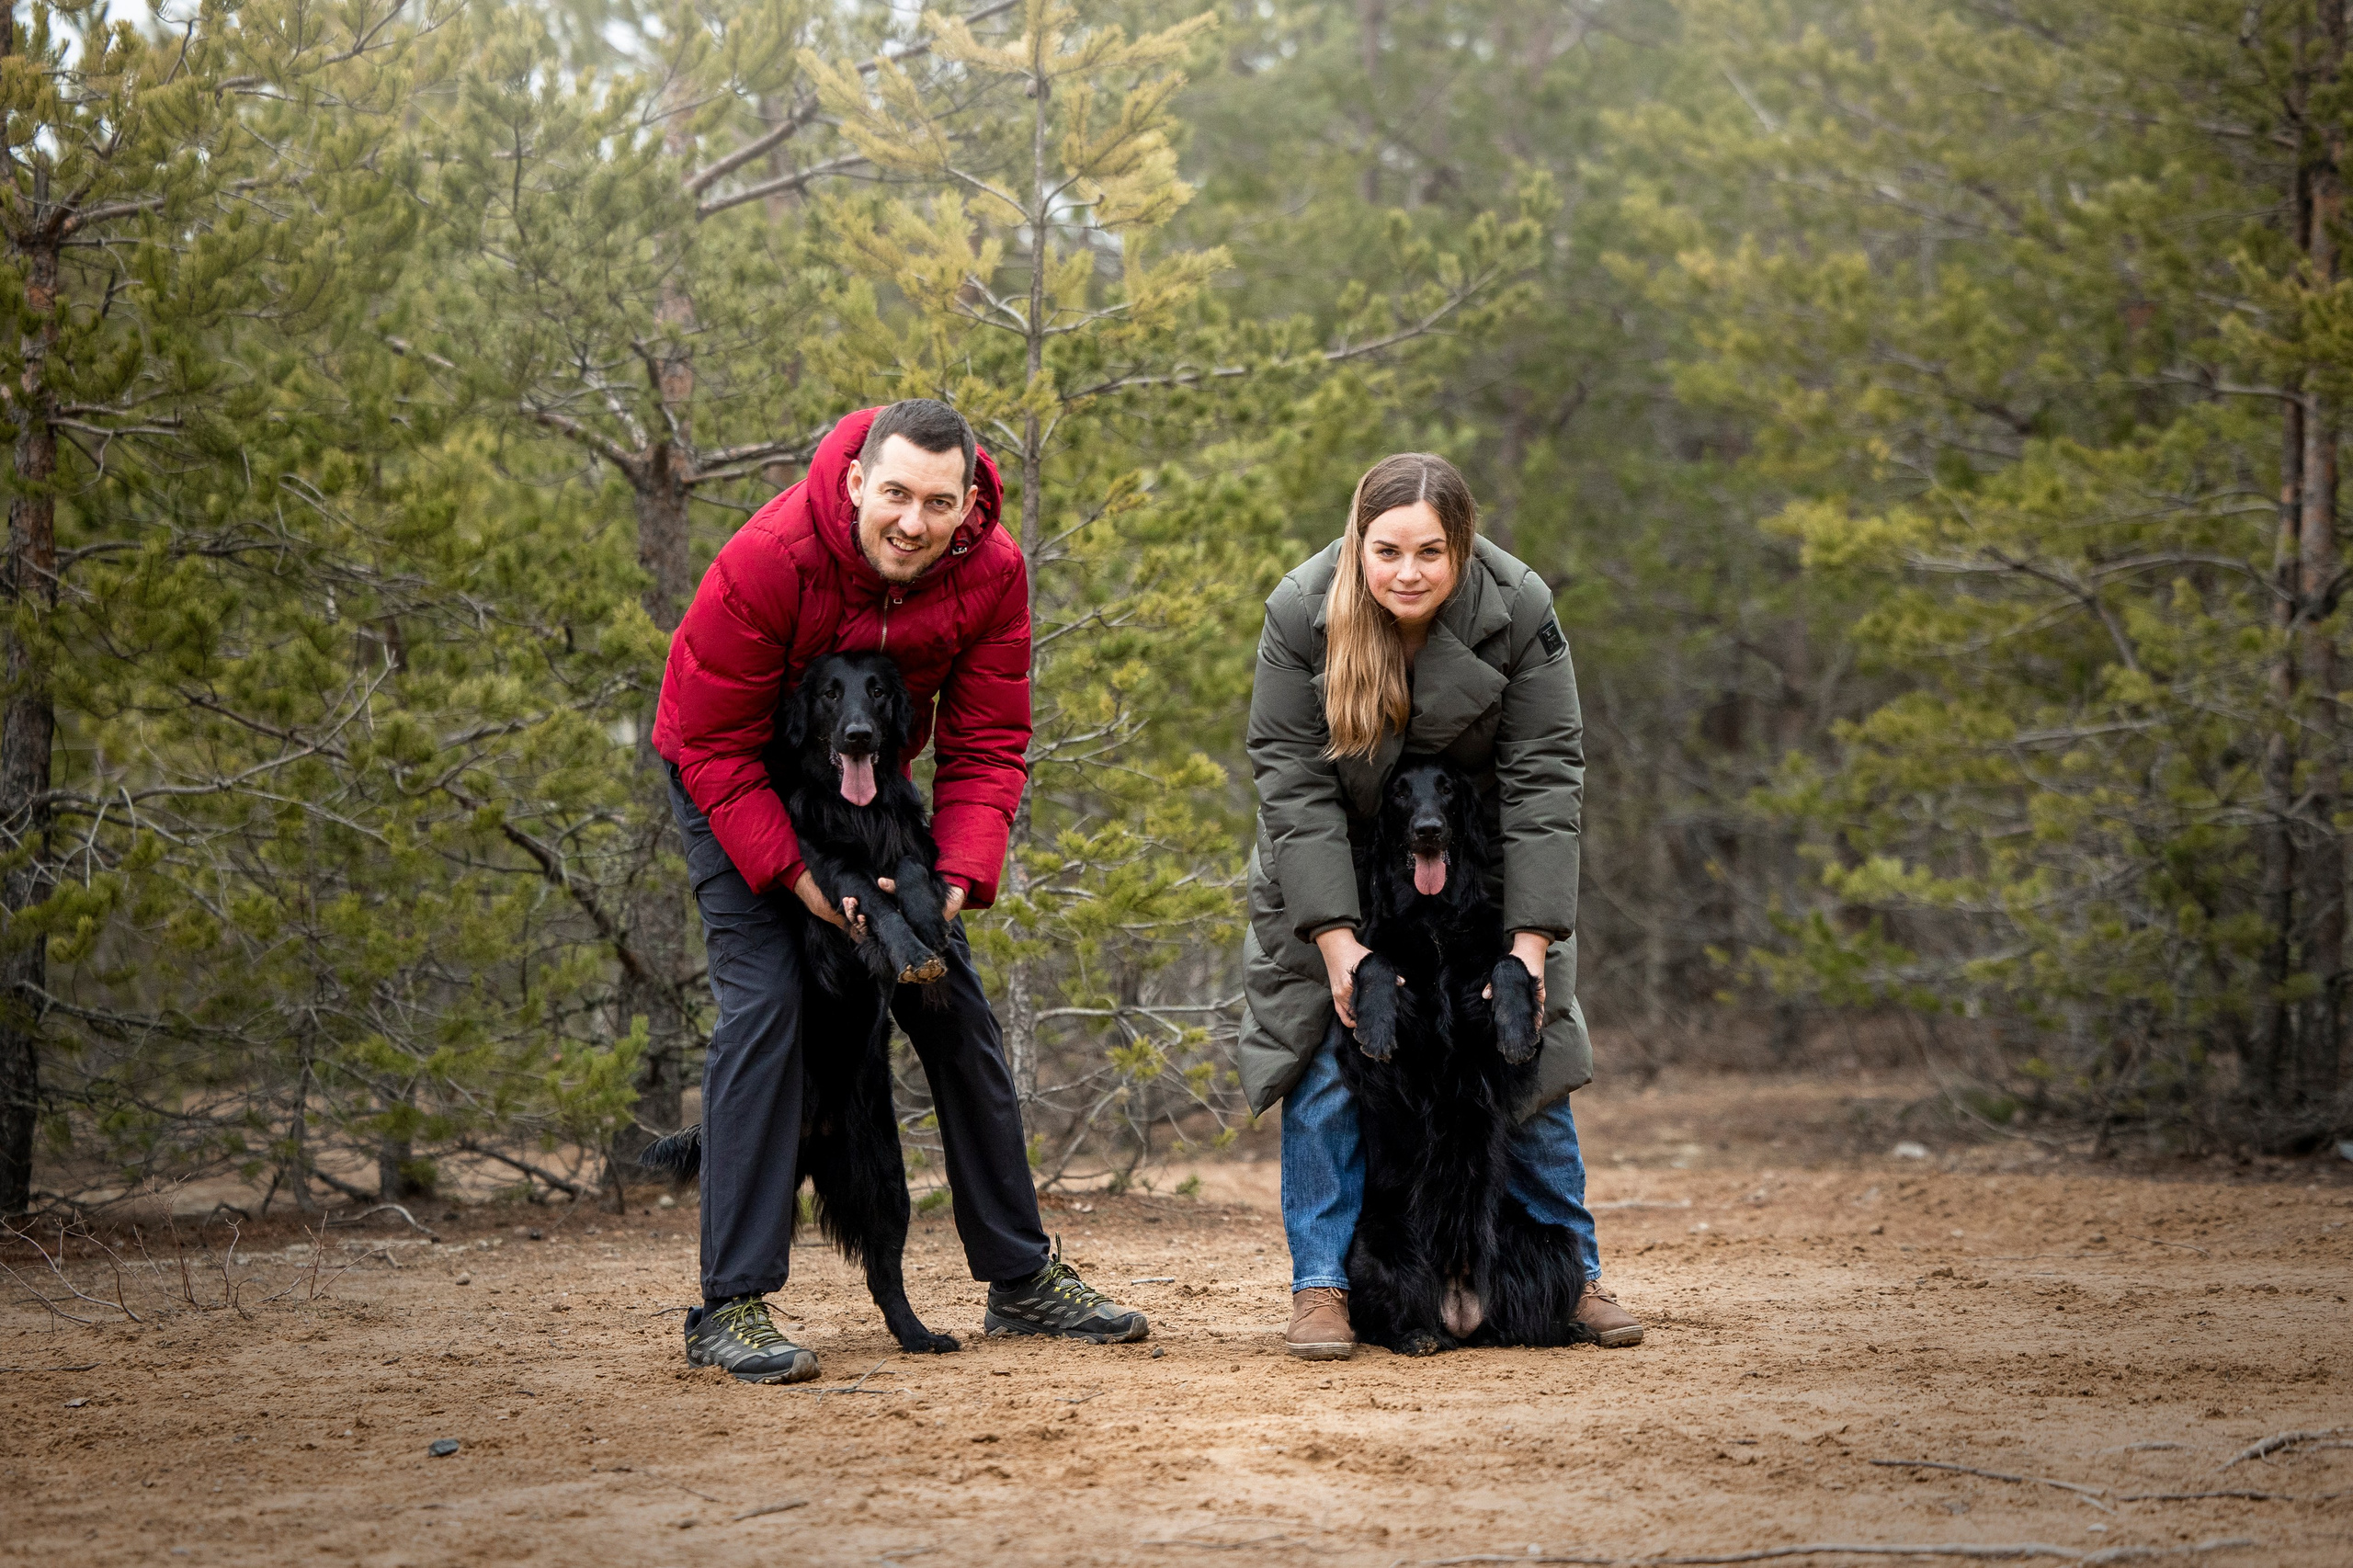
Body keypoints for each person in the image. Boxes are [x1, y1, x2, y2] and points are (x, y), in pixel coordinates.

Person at [652, 399, 1148, 1383]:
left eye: (937, 503)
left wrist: (954, 879)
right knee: (768, 1004)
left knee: (950, 1004)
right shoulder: (769, 558)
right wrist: (806, 884)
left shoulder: (992, 571)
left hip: (865, 789)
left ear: (968, 504)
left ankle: (1020, 1277)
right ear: (855, 484)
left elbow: (989, 741)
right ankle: (731, 1302)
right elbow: (711, 745)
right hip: (730, 777)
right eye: (895, 495)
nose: (913, 523)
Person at [1238, 451, 1644, 1359]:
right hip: (1334, 863)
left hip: (1481, 862)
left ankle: (1575, 1277)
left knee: (1532, 1043)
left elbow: (1545, 780)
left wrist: (1529, 946)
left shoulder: (1520, 607)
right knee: (1325, 1053)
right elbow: (1294, 787)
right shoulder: (1301, 610)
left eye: (1430, 552)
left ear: (1463, 547)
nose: (1408, 573)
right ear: (1358, 542)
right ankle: (1322, 1286)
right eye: (1387, 551)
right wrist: (1337, 945)